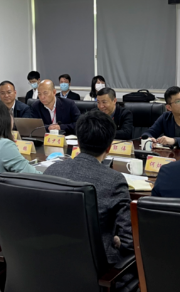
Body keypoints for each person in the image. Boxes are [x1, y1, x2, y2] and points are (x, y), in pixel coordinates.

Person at [44, 110, 133, 266]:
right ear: (109, 147)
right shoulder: (114, 180)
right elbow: (129, 240)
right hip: (96, 267)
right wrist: (119, 241)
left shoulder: (52, 170)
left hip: (50, 259)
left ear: (78, 143)